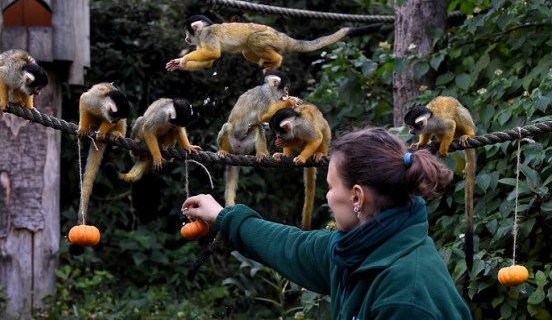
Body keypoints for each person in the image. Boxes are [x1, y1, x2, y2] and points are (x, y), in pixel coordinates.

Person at [182, 127, 473, 320]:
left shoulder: (406, 299)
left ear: (357, 197)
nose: (327, 195)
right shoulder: (360, 248)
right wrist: (223, 216)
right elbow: (292, 247)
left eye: (332, 186)